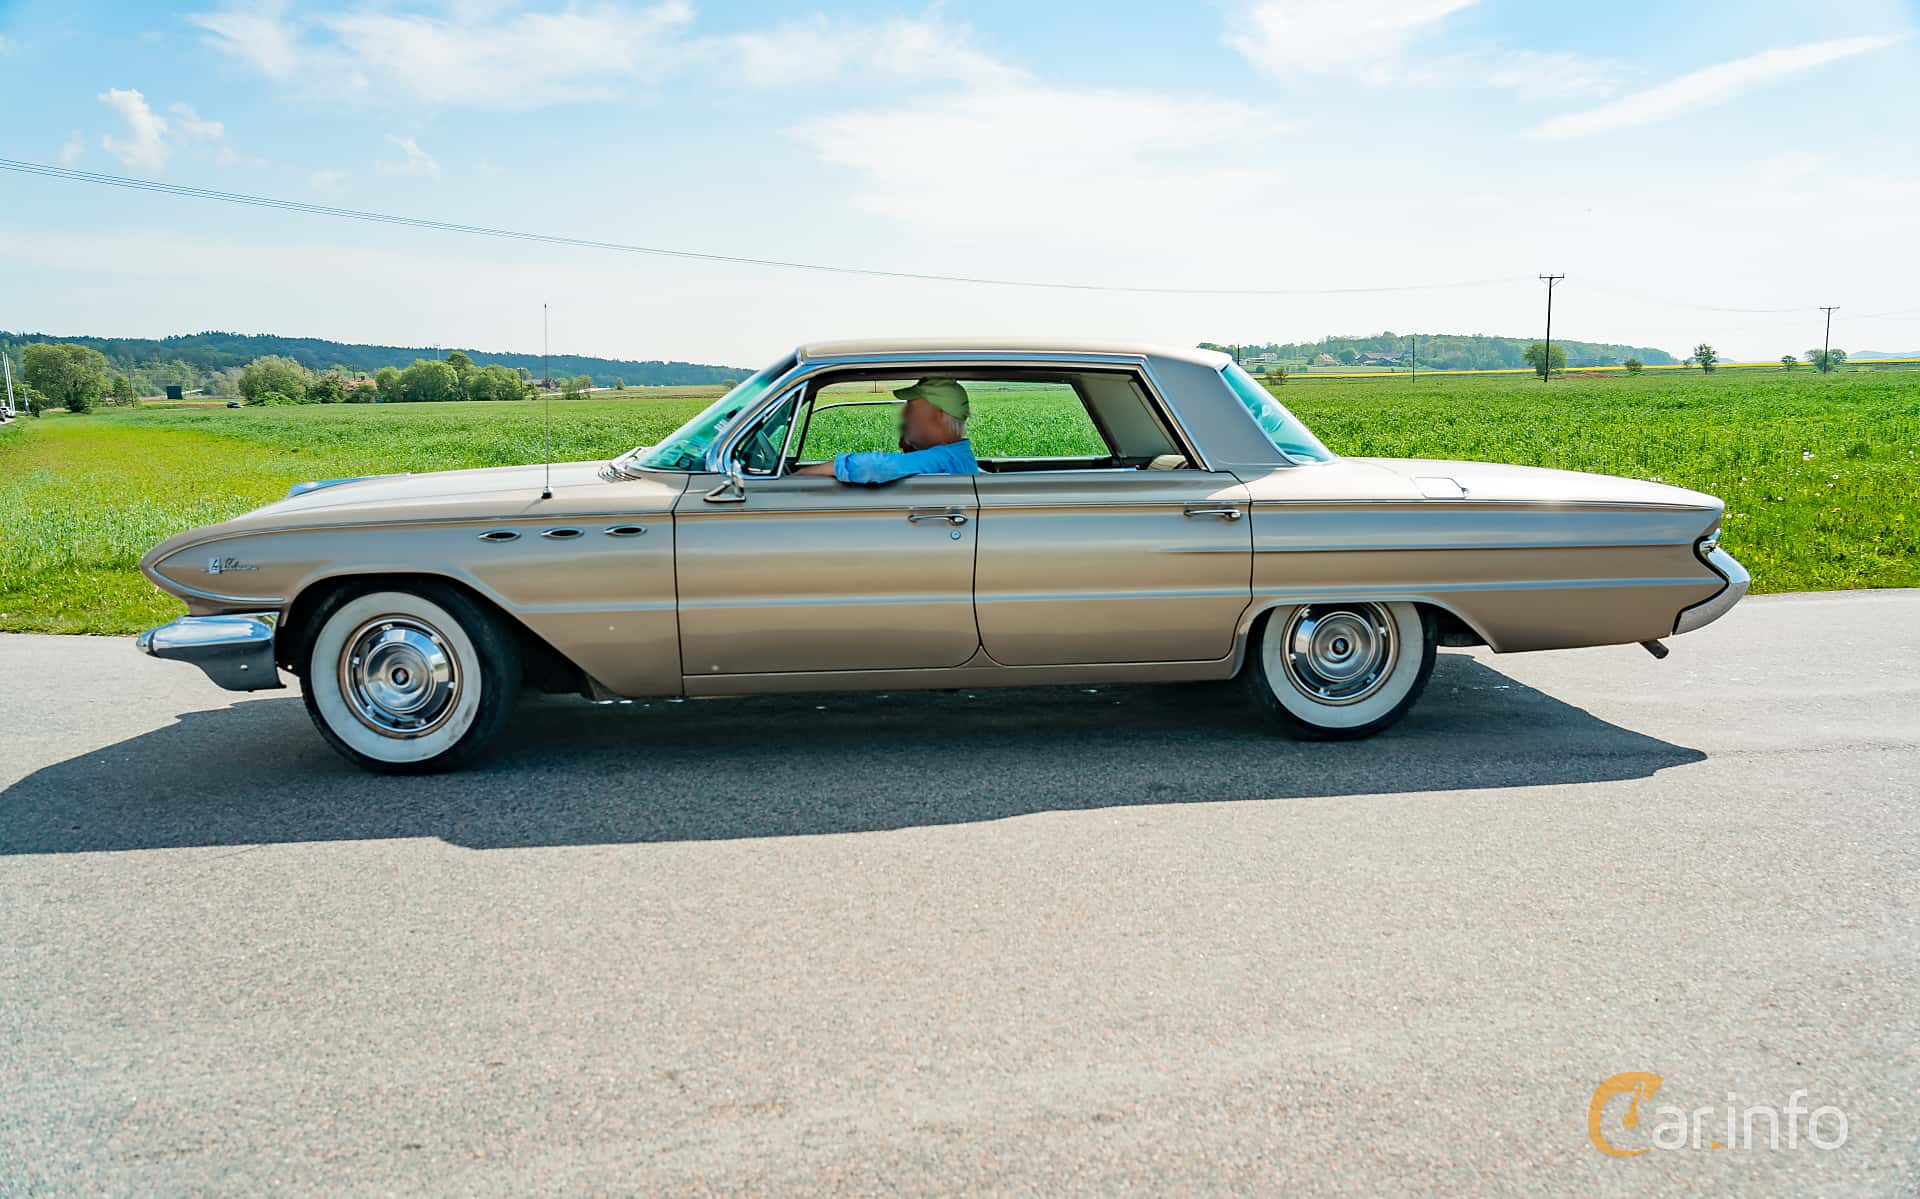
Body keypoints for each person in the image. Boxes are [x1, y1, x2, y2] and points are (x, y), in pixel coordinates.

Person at [793, 377, 977, 484]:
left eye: (911, 407)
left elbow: (879, 467)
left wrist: (802, 475)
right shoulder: (956, 455)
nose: (904, 414)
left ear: (938, 415)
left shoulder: (943, 459)